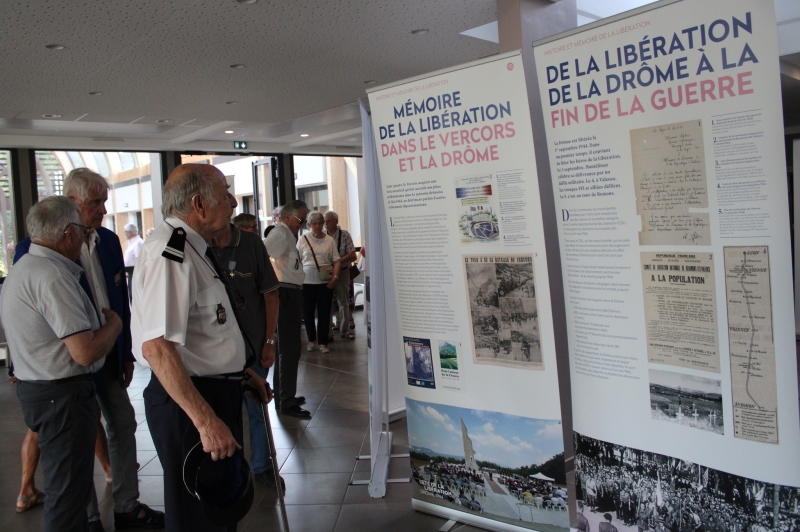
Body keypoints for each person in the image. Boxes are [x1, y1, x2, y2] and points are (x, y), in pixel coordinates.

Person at [15, 168, 163, 531]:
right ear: (72, 203)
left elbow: (119, 302)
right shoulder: (38, 251)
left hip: (106, 355)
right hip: (66, 366)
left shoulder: (109, 241)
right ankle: (88, 517)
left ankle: (127, 505)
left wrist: (125, 350)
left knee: (123, 423)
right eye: (95, 201)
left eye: (104, 200)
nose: (103, 208)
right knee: (74, 447)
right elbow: (29, 316)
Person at [131, 164, 272, 531]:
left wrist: (241, 373)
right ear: (199, 204)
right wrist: (207, 422)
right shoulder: (171, 253)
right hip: (191, 404)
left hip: (210, 392)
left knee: (220, 511)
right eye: (224, 194)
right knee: (199, 519)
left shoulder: (193, 246)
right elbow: (157, 347)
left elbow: (204, 333)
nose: (232, 201)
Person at [1, 196, 123, 532]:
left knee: (70, 490)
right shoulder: (51, 274)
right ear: (68, 233)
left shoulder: (24, 267)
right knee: (67, 499)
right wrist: (114, 325)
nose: (86, 237)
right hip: (61, 397)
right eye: (83, 231)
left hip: (43, 392)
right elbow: (83, 352)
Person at [209, 217, 283, 491]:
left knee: (257, 406)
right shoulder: (199, 243)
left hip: (252, 345)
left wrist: (268, 341)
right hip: (216, 352)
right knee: (222, 411)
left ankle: (262, 466)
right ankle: (232, 470)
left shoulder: (251, 244)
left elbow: (271, 295)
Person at [264, 200, 312, 418]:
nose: (301, 224)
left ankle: (284, 395)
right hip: (285, 292)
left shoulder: (287, 235)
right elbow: (263, 257)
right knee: (289, 349)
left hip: (290, 292)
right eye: (300, 219)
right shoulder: (280, 233)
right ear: (287, 217)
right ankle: (286, 400)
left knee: (288, 348)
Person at [298, 211, 340, 353]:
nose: (317, 226)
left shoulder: (329, 240)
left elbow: (337, 260)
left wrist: (335, 277)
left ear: (323, 224)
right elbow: (297, 259)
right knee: (308, 312)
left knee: (324, 312)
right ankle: (311, 340)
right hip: (306, 281)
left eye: (319, 223)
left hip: (324, 282)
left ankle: (323, 342)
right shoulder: (303, 239)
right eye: (313, 223)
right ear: (308, 225)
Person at [323, 210, 356, 339]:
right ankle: (328, 332)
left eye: (328, 221)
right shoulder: (322, 237)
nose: (325, 224)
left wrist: (338, 261)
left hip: (342, 272)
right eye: (324, 221)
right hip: (326, 274)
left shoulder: (344, 235)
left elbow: (353, 255)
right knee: (326, 302)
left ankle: (345, 330)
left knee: (343, 301)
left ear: (336, 221)